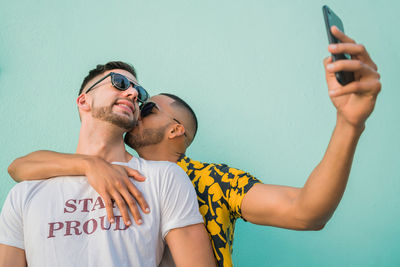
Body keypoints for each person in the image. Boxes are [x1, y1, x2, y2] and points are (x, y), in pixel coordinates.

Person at [7, 27, 381, 267]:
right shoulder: (68, 178)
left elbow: (306, 211)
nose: (135, 99)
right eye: (126, 89)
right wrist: (89, 165)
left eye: (147, 104)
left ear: (176, 131)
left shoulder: (209, 180)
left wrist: (349, 124)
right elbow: (20, 167)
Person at [0, 62, 215, 267]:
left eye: (139, 94)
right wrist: (89, 164)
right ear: (83, 101)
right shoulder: (25, 194)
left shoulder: (164, 178)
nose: (132, 94)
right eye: (119, 82)